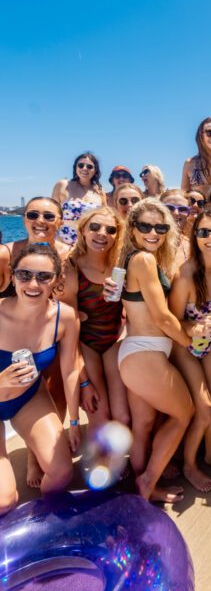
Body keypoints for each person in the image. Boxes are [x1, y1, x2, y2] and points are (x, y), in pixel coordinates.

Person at [111, 198, 194, 503]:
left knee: (144, 425)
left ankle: (142, 485)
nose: (153, 232)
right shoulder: (144, 260)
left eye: (160, 227)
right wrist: (189, 343)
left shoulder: (140, 259)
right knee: (184, 414)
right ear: (132, 228)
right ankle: (147, 483)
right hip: (145, 352)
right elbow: (161, 317)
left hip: (136, 353)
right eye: (145, 226)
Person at [0, 243, 81, 515]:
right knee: (3, 502)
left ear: (57, 280)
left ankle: (45, 517)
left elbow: (70, 369)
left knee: (60, 473)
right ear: (12, 276)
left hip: (28, 399)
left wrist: (73, 421)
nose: (33, 283)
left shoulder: (64, 317)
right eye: (24, 275)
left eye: (44, 277)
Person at [169, 209, 211, 492]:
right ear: (194, 236)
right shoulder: (185, 274)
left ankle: (210, 455)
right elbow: (172, 322)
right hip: (185, 346)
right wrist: (195, 327)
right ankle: (189, 465)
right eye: (204, 232)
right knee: (206, 409)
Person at [55, 207, 128, 429]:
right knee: (100, 415)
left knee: (123, 417)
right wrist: (84, 380)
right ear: (83, 230)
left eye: (110, 229)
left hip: (115, 341)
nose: (102, 233)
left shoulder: (122, 263)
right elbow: (68, 330)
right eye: (95, 227)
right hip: (85, 344)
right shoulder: (71, 266)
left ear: (117, 235)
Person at [1, 197, 70, 298]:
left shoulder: (71, 256)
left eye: (49, 216)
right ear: (24, 220)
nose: (40, 220)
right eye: (32, 215)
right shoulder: (4, 255)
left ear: (60, 223)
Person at [52, 152, 106, 245]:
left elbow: (104, 218)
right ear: (75, 168)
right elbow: (52, 214)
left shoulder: (100, 191)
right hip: (62, 241)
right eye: (81, 165)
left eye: (89, 166)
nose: (84, 168)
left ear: (95, 170)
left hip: (89, 243)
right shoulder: (62, 185)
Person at [160, 189, 192, 271]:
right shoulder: (149, 242)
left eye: (182, 209)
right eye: (169, 208)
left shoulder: (193, 247)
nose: (176, 213)